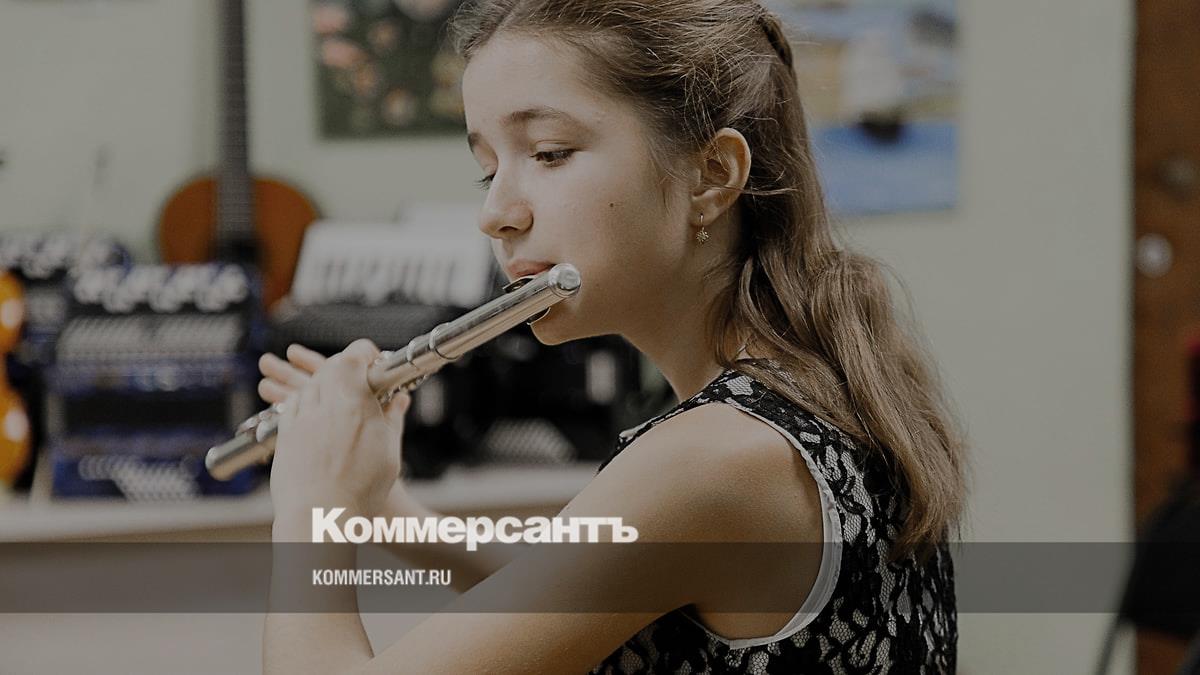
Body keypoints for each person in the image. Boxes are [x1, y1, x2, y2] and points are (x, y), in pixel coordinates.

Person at [257, 1, 968, 672]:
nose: (496, 213)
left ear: (711, 176)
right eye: (488, 169)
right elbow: (580, 588)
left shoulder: (714, 459)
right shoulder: (808, 393)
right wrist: (383, 506)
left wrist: (313, 504)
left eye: (549, 152)